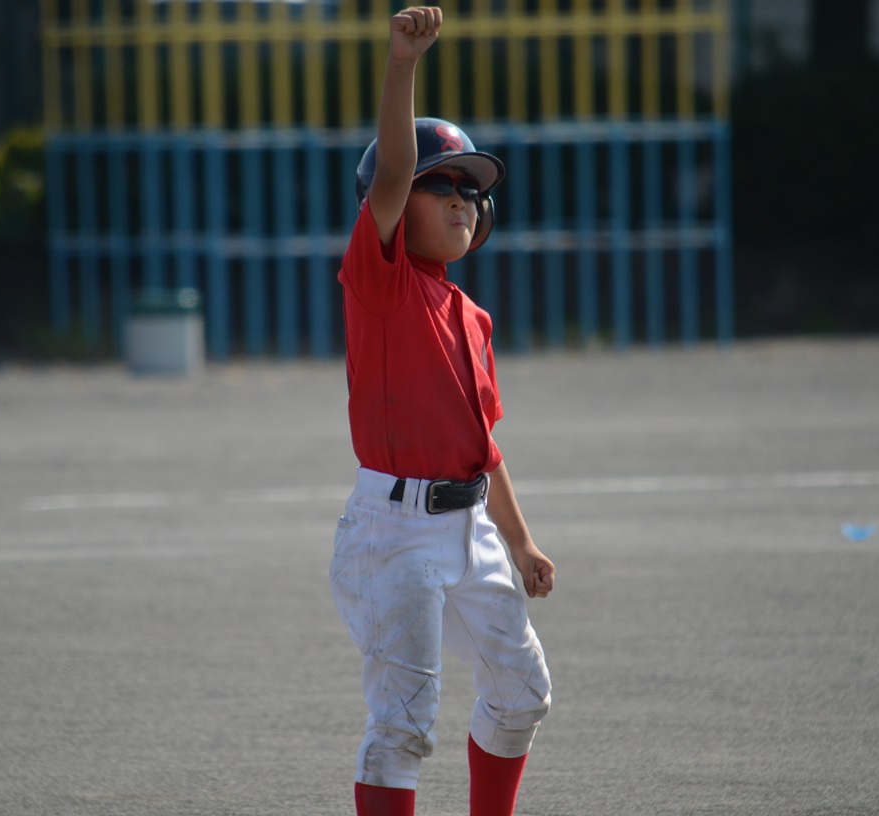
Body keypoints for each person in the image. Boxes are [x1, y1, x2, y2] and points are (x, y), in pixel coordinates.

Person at [330, 7, 555, 816]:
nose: (462, 202)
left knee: (524, 693)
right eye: (442, 186)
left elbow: (483, 446)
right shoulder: (381, 286)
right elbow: (391, 174)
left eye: (471, 193)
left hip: (472, 531)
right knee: (403, 727)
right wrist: (401, 65)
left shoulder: (469, 316)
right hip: (394, 535)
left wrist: (521, 540)